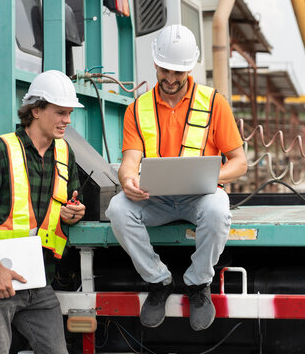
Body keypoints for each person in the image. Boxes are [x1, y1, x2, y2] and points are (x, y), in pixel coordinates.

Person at [105, 25, 247, 331]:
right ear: (155, 64)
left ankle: (198, 284)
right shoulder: (137, 108)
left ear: (189, 69)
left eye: (177, 74)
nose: (170, 80)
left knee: (218, 210)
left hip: (200, 196)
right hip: (153, 198)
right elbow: (130, 160)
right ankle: (158, 280)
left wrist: (211, 177)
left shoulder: (214, 104)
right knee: (117, 208)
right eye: (164, 71)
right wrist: (128, 180)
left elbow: (240, 163)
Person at [0, 70, 86, 353]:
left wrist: (74, 212)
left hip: (38, 281)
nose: (67, 120)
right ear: (37, 110)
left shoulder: (65, 153)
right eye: (60, 112)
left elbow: (71, 202)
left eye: (69, 113)